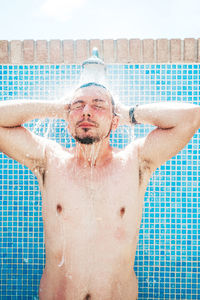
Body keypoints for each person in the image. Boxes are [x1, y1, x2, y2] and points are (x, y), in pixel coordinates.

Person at [0, 81, 199, 300]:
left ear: (115, 122)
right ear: (67, 120)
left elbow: (190, 117)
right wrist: (57, 108)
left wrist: (127, 113)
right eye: (78, 105)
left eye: (98, 105)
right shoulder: (48, 160)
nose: (86, 111)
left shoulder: (135, 161)